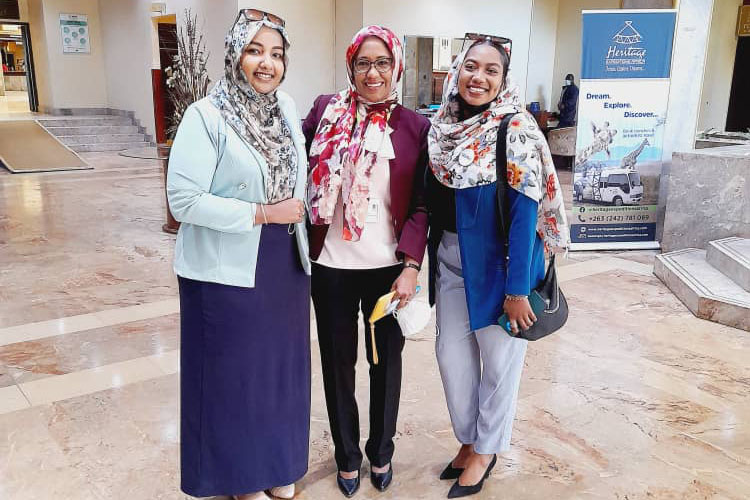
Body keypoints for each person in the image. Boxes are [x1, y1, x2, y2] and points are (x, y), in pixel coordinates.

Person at [167, 9, 311, 500]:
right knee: (234, 376)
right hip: (224, 268)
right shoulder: (205, 116)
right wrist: (264, 213)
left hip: (284, 263)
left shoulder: (286, 108)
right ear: (235, 56)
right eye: (255, 51)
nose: (266, 63)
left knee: (277, 371)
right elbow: (183, 201)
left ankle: (275, 465)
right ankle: (240, 477)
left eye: (276, 53)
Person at [426, 36, 569, 498]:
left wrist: (516, 290)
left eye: (491, 70)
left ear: (504, 79)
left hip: (502, 267)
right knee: (452, 357)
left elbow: (526, 214)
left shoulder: (517, 128)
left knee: (500, 365)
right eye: (470, 66)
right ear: (456, 71)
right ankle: (469, 437)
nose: (478, 78)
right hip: (450, 258)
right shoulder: (442, 126)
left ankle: (485, 450)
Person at [302, 25, 430, 498]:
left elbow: (421, 204)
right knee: (338, 364)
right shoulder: (324, 112)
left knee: (385, 365)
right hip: (332, 266)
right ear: (350, 66)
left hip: (386, 272)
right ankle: (347, 456)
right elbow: (290, 161)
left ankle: (381, 450)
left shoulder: (416, 127)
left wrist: (411, 264)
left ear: (395, 65)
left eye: (381, 63)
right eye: (362, 63)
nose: (371, 73)